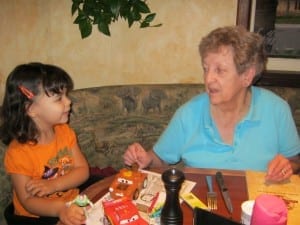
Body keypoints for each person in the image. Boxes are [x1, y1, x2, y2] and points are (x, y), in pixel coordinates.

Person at [123, 26, 300, 182]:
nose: (208, 79)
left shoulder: (277, 110)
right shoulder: (188, 114)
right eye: (205, 69)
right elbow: (159, 159)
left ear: (247, 76)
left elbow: (295, 160)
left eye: (220, 70)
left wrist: (287, 167)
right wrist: (144, 158)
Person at [0, 63, 89, 225]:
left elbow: (83, 171)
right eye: (59, 99)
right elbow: (27, 200)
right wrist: (60, 209)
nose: (68, 102)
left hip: (70, 202)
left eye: (66, 95)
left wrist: (53, 185)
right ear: (31, 109)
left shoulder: (64, 131)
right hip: (37, 216)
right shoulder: (18, 152)